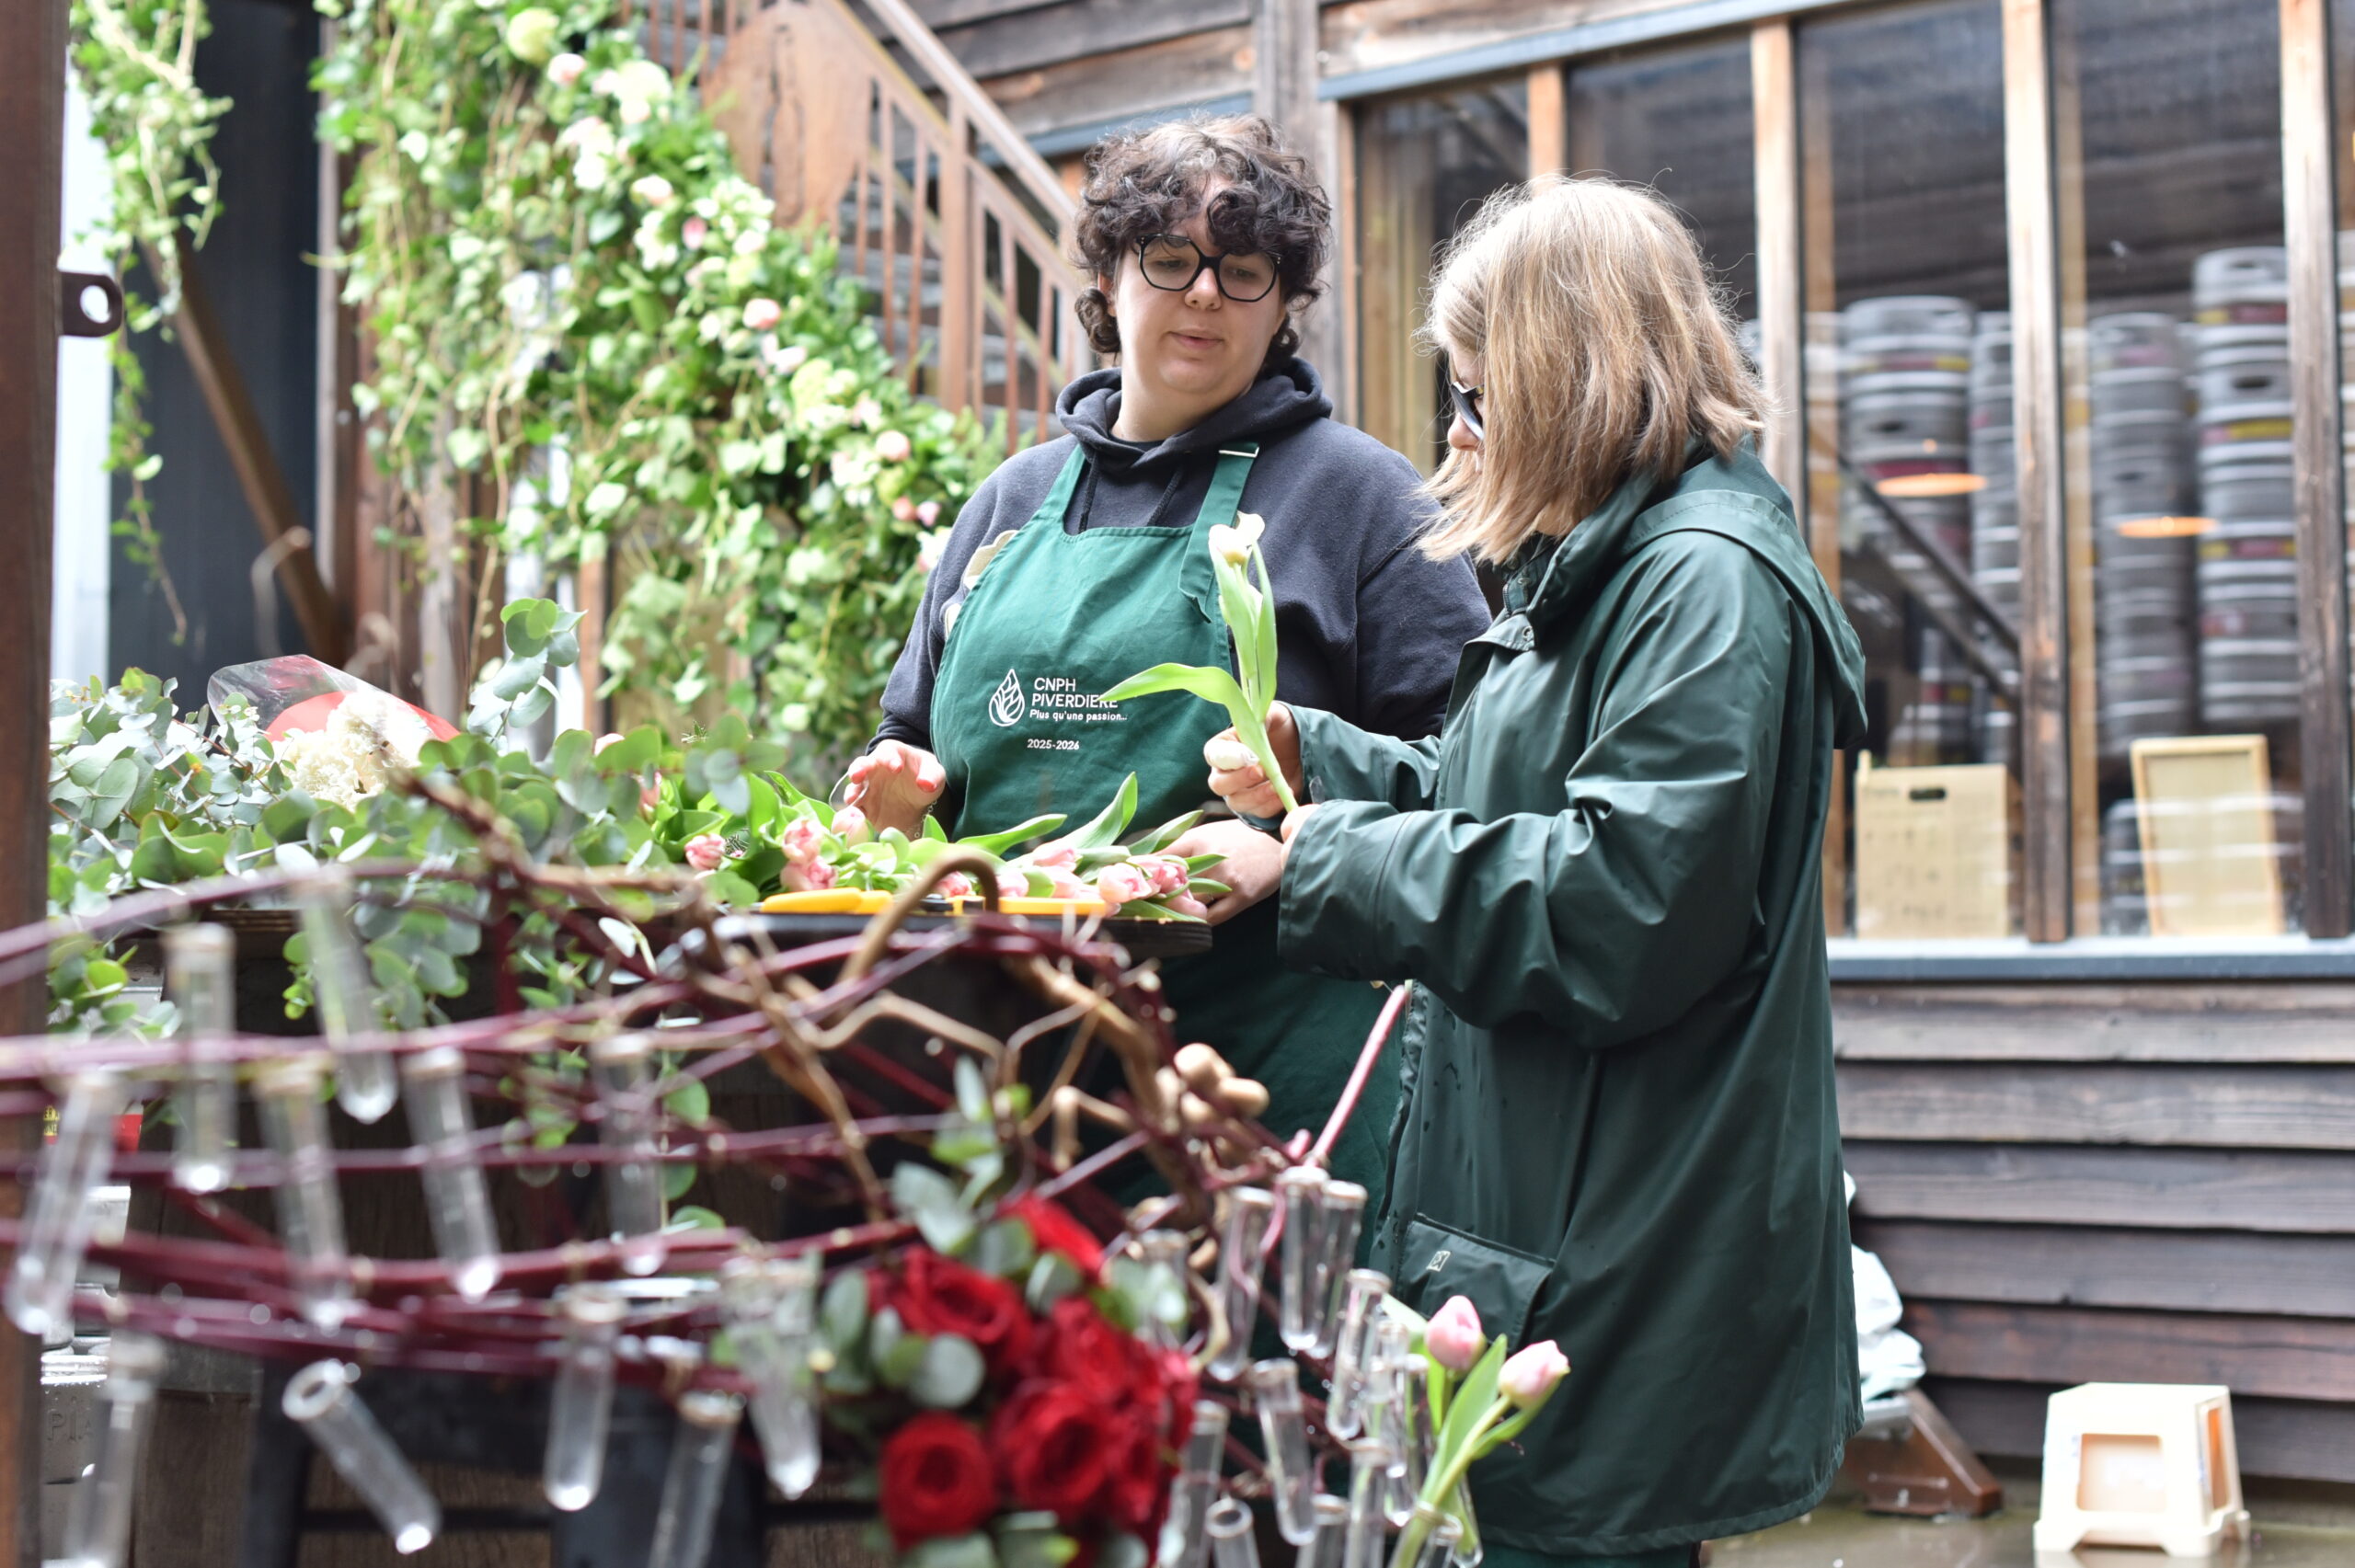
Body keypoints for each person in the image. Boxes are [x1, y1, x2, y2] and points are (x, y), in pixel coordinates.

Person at [1207, 177, 1868, 1567]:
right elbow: (1493, 794)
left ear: (1569, 381)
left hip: (1621, 1241)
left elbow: (1618, 904)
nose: (1456, 436)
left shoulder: (1702, 585)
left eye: (1476, 399)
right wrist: (1319, 762)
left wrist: (1311, 862)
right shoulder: (1605, 565)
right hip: (1551, 1220)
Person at [846, 115, 1488, 1198]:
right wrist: (890, 801)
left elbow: (1476, 769)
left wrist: (1304, 848)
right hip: (1006, 1071)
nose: (1203, 295)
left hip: (1265, 1080)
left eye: (1243, 271)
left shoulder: (1363, 499)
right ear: (1109, 273)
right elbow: (900, 739)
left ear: (1284, 303)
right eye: (1170, 259)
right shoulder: (1009, 500)